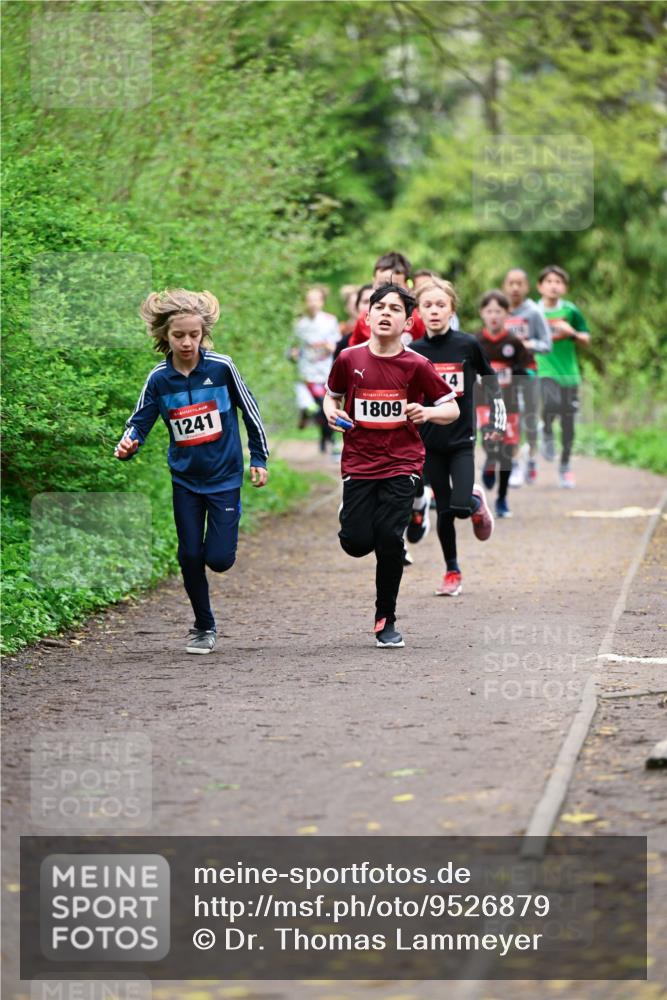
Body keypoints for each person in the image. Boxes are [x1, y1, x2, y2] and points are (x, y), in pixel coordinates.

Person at [114, 289, 269, 654]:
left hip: (225, 477)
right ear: (164, 336)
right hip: (185, 479)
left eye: (194, 335)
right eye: (179, 335)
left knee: (219, 559)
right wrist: (128, 443)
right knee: (188, 555)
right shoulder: (159, 379)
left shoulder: (221, 367)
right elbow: (139, 422)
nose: (187, 342)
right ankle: (203, 625)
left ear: (204, 334)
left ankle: (226, 527)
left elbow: (251, 412)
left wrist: (259, 459)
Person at [323, 283, 459, 647]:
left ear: (408, 323)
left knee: (389, 539)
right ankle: (351, 514)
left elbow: (452, 407)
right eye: (379, 307)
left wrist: (427, 411)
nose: (385, 313)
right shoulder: (349, 359)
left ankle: (386, 619)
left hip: (402, 462)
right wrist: (333, 414)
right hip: (359, 462)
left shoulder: (417, 365)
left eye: (395, 309)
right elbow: (330, 397)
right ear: (366, 317)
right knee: (355, 543)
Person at [409, 279, 504, 596]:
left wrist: (496, 421)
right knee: (445, 511)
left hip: (461, 441)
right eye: (427, 305)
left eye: (440, 305)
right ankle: (452, 570)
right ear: (418, 312)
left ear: (451, 310)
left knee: (460, 506)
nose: (434, 311)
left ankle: (475, 501)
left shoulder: (467, 345)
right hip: (429, 444)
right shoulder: (413, 352)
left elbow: (491, 382)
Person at [475, 290, 532, 519]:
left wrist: (518, 373)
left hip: (509, 403)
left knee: (508, 450)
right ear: (482, 314)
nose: (494, 316)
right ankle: (489, 461)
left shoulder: (514, 343)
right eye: (489, 311)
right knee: (490, 442)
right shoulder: (476, 341)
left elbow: (530, 368)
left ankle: (501, 498)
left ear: (507, 313)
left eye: (499, 311)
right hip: (484, 402)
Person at [535, 265, 590, 488]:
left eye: (558, 282)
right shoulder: (534, 312)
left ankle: (565, 467)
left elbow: (587, 339)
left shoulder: (571, 311)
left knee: (569, 423)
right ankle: (546, 430)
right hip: (543, 369)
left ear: (564, 287)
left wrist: (572, 333)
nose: (553, 286)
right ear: (540, 286)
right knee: (552, 402)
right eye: (549, 281)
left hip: (569, 373)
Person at [502, 268, 552, 485]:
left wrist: (527, 344)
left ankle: (531, 456)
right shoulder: (500, 311)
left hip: (529, 372)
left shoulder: (533, 312)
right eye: (511, 283)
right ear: (505, 286)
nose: (515, 288)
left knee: (530, 420)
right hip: (506, 375)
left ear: (527, 287)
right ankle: (514, 465)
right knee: (511, 418)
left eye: (519, 283)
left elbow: (547, 344)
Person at [292, 286, 339, 453]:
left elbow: (338, 346)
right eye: (309, 299)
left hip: (325, 372)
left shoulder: (330, 321)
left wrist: (330, 347)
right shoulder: (299, 324)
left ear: (322, 302)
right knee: (315, 408)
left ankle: (328, 439)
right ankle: (323, 434)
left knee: (323, 408)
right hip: (305, 374)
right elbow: (291, 349)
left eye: (315, 299)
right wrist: (293, 354)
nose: (312, 303)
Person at [348, 252, 427, 346]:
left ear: (406, 285)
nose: (388, 291)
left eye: (395, 285)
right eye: (382, 285)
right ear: (373, 283)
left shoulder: (417, 318)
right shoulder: (364, 319)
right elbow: (353, 353)